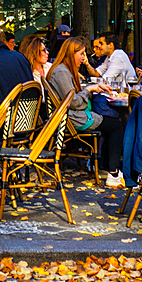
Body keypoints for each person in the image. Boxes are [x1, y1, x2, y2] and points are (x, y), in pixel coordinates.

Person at [45, 37, 126, 188]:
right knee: (117, 126)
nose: (84, 58)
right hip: (74, 119)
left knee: (111, 122)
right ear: (71, 53)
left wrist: (92, 88)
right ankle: (113, 173)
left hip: (73, 117)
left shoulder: (62, 69)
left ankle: (104, 167)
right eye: (81, 54)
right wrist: (89, 90)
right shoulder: (61, 71)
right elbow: (74, 102)